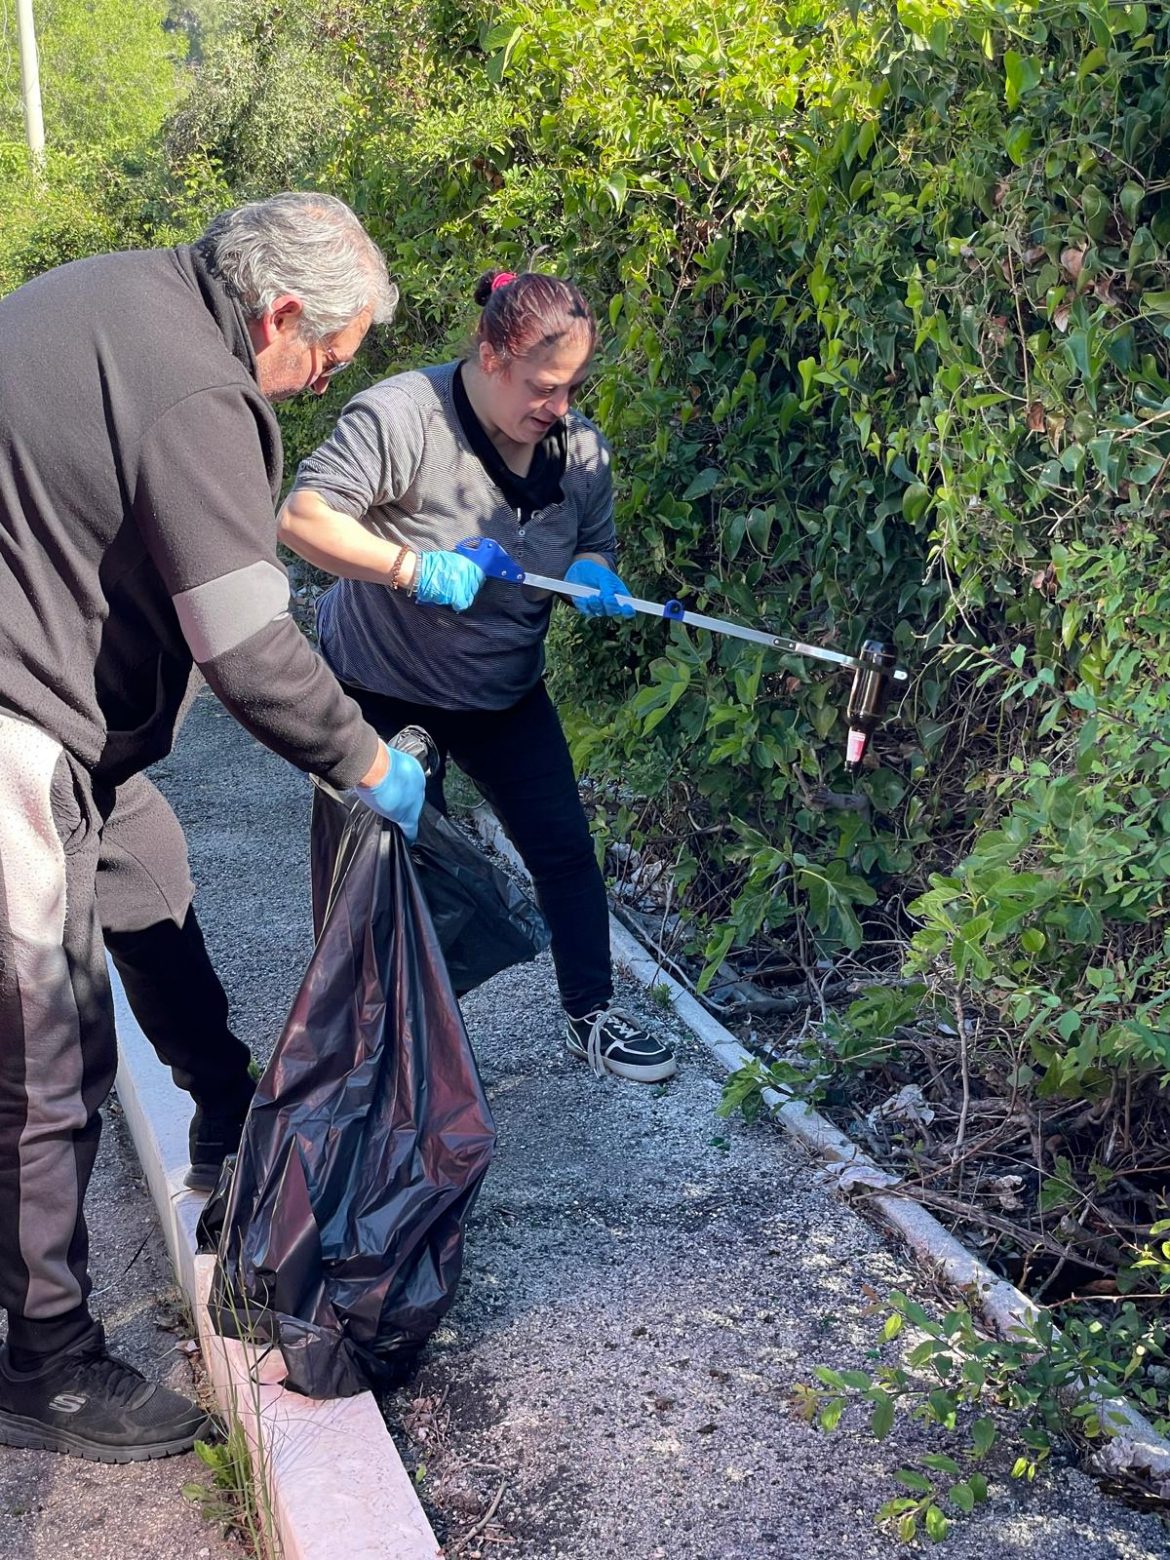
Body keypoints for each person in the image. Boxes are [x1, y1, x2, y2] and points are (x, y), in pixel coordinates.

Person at [0, 192, 431, 1464]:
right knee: (48, 1042)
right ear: (280, 312)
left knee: (149, 876)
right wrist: (365, 761)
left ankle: (226, 1110)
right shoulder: (198, 387)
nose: (319, 383)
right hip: (18, 717)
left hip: (77, 719)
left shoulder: (123, 294)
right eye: (327, 359)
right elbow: (246, 648)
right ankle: (45, 1361)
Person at [278, 268, 678, 1085]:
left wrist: (596, 571)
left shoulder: (580, 451)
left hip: (502, 690)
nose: (558, 406)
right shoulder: (403, 416)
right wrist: (409, 568)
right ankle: (380, 1048)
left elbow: (593, 542)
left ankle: (591, 1014)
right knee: (384, 871)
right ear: (492, 356)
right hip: (381, 684)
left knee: (564, 850)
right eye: (543, 386)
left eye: (573, 388)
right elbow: (302, 517)